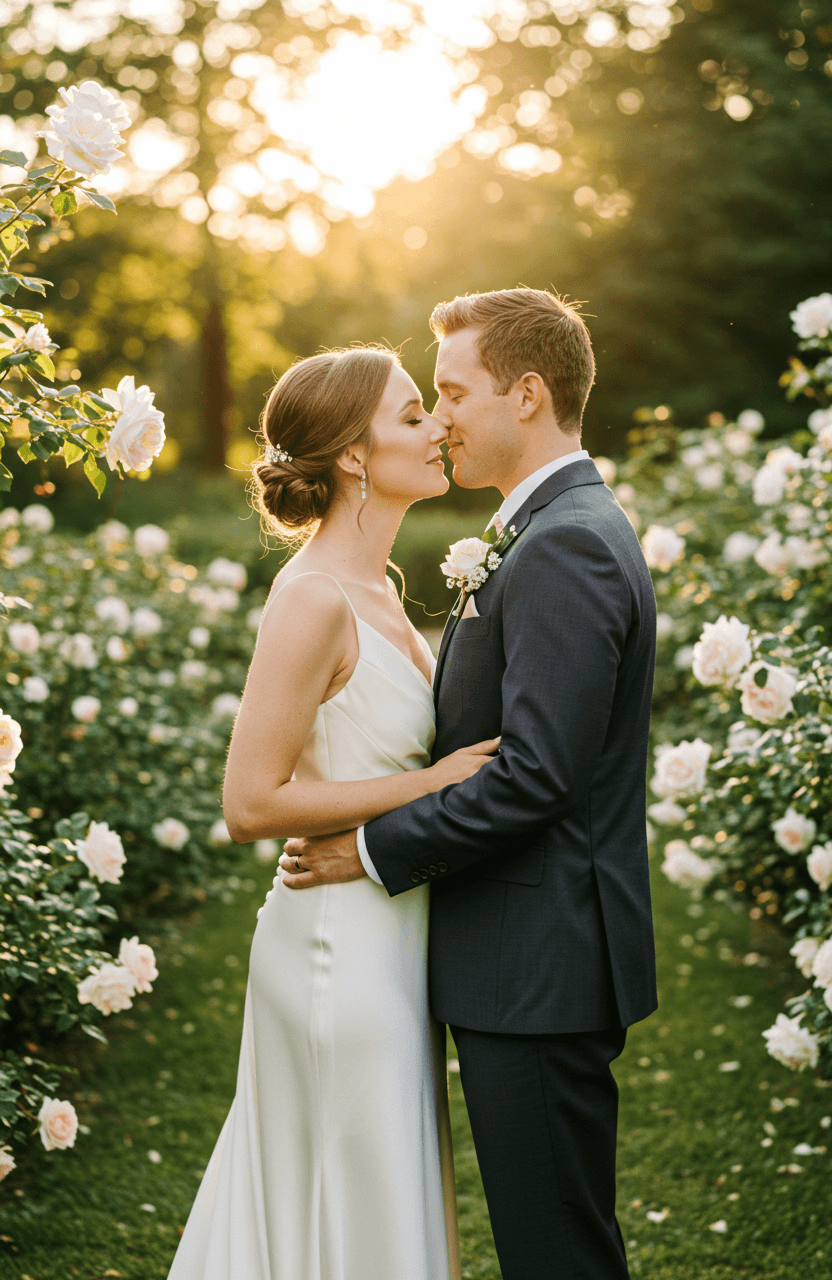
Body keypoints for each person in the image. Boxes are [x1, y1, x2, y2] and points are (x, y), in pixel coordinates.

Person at [280, 288, 659, 1280]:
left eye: (452, 390)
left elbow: (532, 775)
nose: (439, 415)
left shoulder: (564, 540)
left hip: (539, 964)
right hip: (528, 957)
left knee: (555, 1249)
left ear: (525, 394)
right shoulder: (546, 526)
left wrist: (364, 851)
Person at [168, 345, 499, 1280]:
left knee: (375, 1190)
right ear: (353, 455)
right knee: (354, 1198)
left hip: (392, 935)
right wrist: (432, 785)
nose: (436, 426)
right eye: (410, 415)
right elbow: (250, 801)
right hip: (331, 952)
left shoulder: (382, 592)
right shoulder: (313, 598)